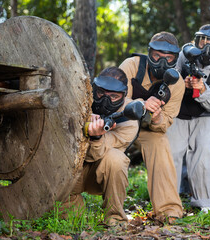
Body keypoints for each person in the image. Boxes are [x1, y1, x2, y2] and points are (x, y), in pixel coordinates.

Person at [119, 31, 185, 222]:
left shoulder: (177, 83)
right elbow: (113, 100)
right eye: (157, 56)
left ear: (175, 59)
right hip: (121, 123)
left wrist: (157, 118)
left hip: (148, 130)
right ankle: (113, 212)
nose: (162, 62)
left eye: (168, 58)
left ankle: (169, 210)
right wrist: (139, 103)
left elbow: (166, 122)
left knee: (160, 143)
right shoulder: (131, 66)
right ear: (149, 53)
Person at [63, 67, 140, 226]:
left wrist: (96, 135)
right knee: (71, 222)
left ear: (123, 96)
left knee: (115, 159)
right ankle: (73, 206)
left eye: (113, 96)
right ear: (94, 89)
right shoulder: (78, 98)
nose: (106, 100)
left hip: (96, 174)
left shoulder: (129, 119)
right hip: (66, 172)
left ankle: (115, 219)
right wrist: (81, 117)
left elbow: (94, 155)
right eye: (101, 93)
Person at [166, 24, 210, 213]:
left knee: (203, 155)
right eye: (203, 41)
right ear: (196, 40)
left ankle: (203, 202)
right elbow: (170, 78)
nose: (208, 48)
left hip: (206, 116)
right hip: (179, 112)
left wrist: (202, 88)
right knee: (172, 153)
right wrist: (182, 84)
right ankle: (169, 201)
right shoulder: (184, 54)